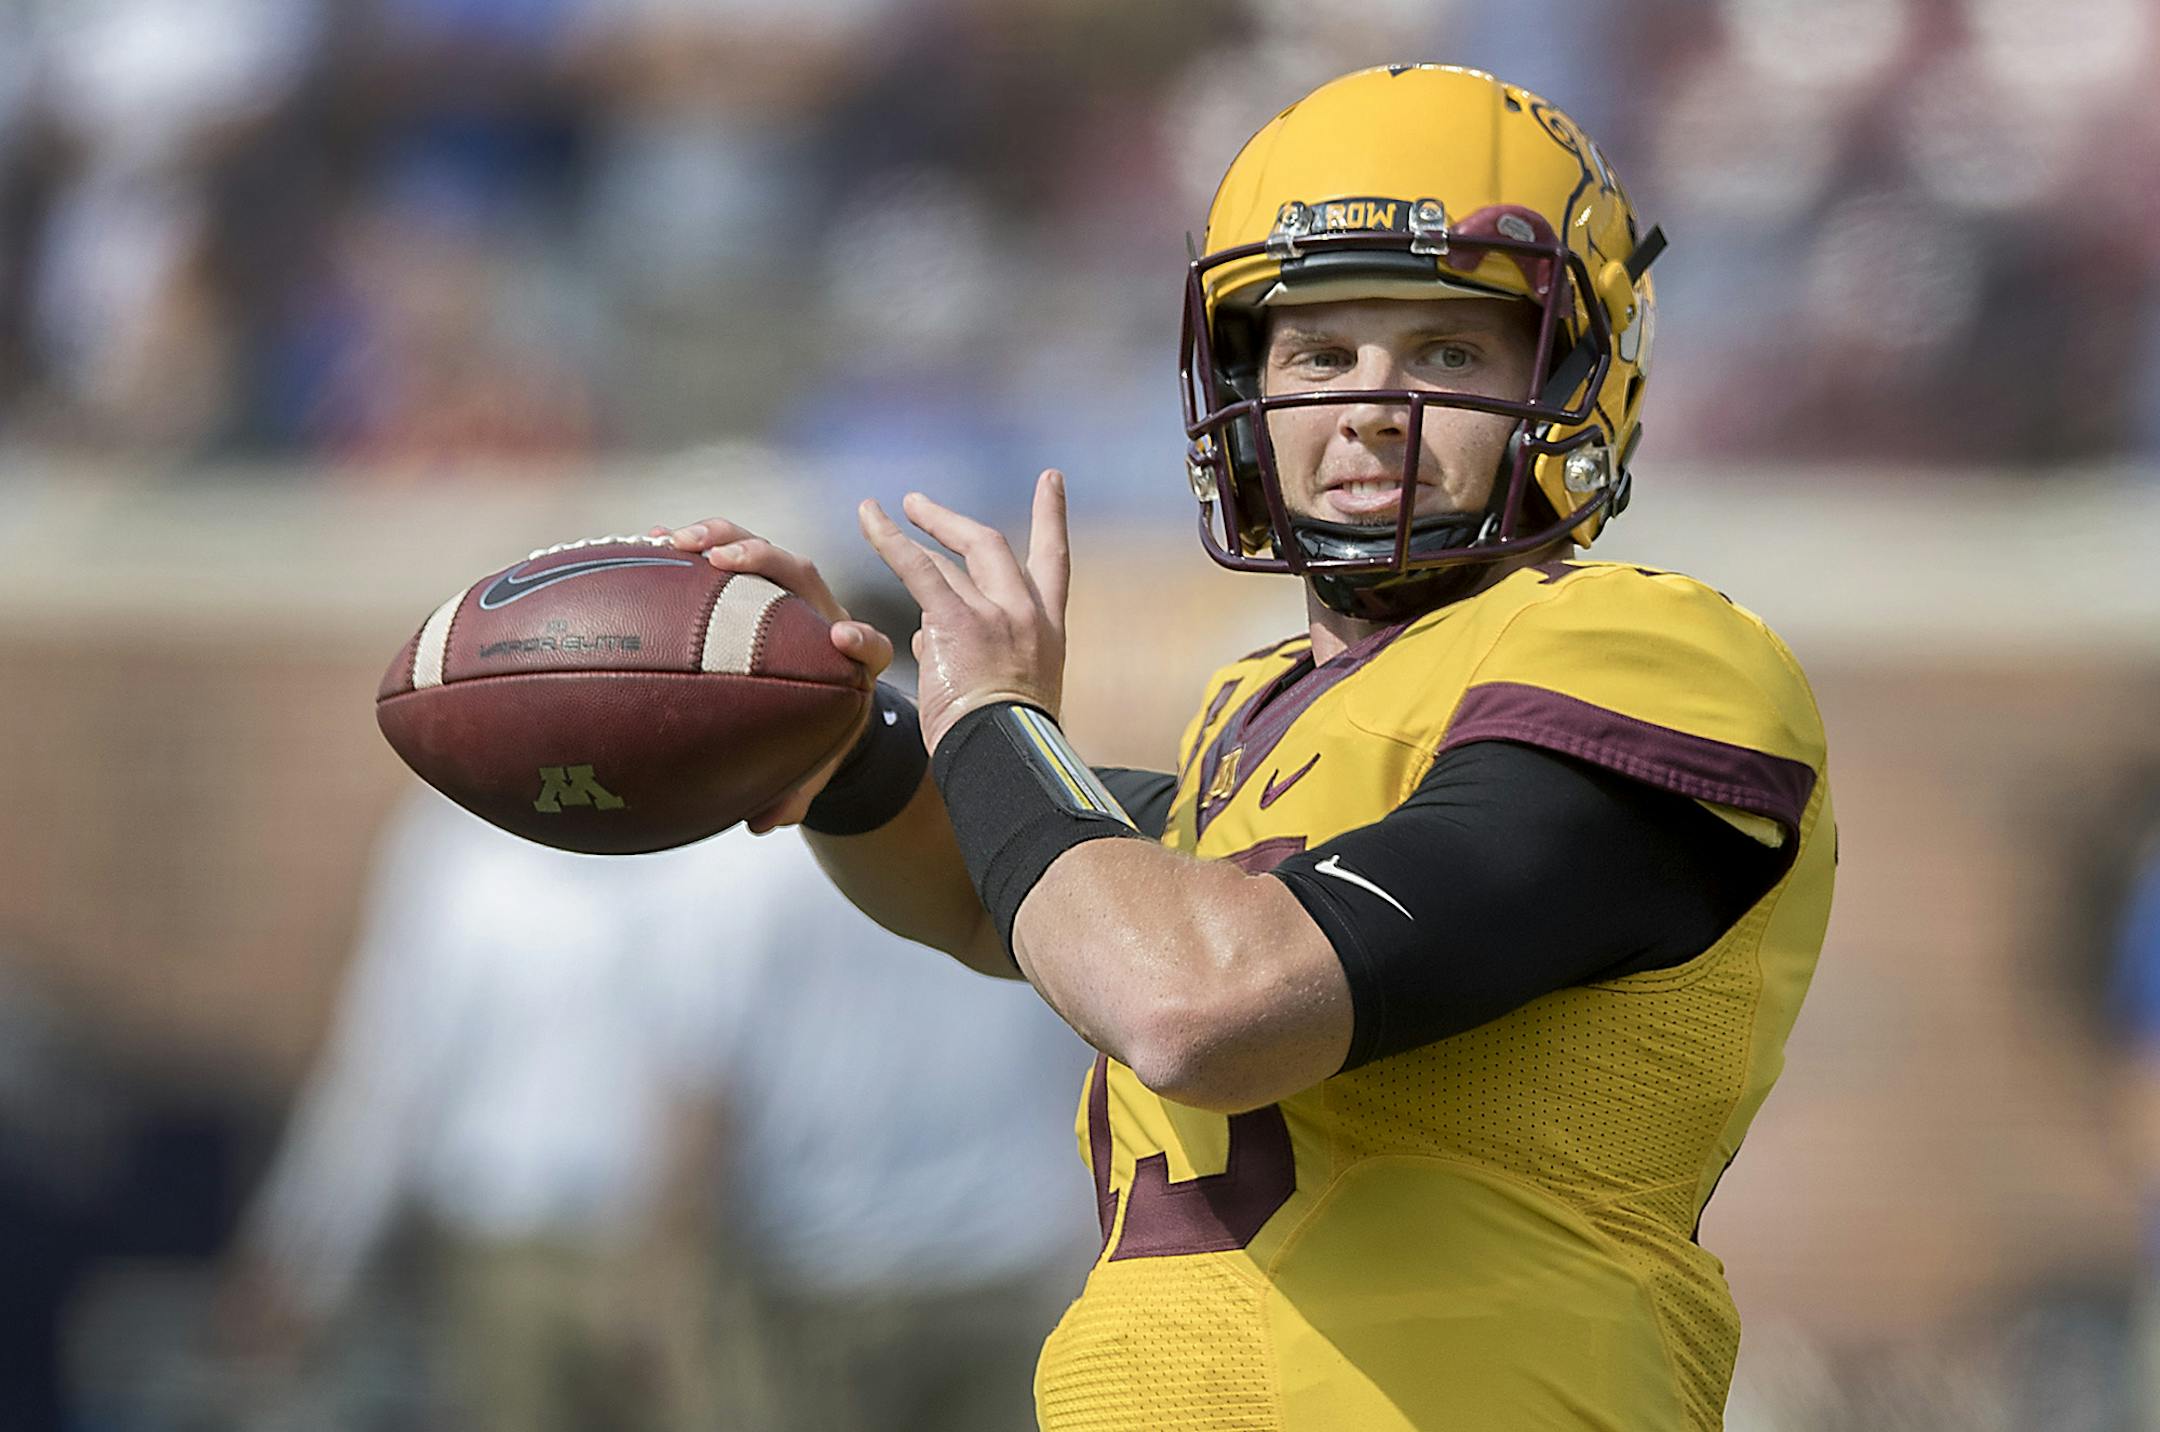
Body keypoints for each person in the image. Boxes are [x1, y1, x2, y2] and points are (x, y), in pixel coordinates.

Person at [661, 63, 1836, 1430]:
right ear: (1244, 386)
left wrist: (994, 714)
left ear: (1574, 375)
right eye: (1319, 353)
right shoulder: (1260, 712)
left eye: (1448, 353)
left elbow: (1195, 1008)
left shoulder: (1650, 654)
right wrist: (842, 731)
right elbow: (997, 885)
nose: (1369, 407)